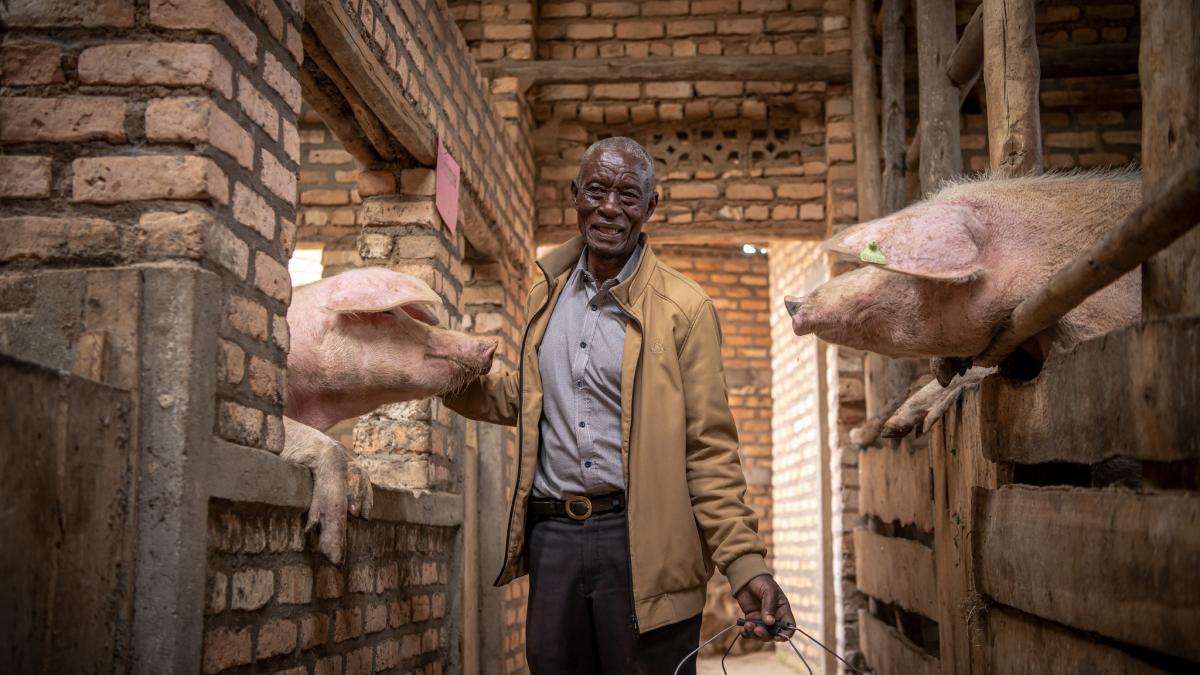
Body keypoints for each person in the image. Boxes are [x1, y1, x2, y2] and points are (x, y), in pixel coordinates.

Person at [443, 136, 795, 674]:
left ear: (650, 208)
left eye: (628, 196)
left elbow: (709, 450)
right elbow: (533, 397)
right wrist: (435, 373)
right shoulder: (547, 292)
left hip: (643, 546)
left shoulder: (685, 309)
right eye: (597, 191)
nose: (610, 208)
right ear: (575, 195)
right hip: (554, 538)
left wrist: (745, 565)